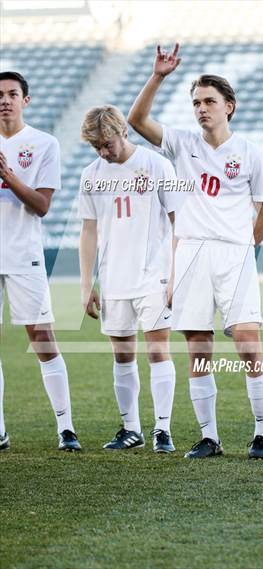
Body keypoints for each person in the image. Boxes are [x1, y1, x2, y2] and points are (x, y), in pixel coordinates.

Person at [128, 44, 263, 459]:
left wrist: (247, 246)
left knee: (249, 343)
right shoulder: (182, 143)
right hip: (191, 253)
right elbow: (136, 120)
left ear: (230, 106)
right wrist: (157, 76)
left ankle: (262, 433)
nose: (201, 109)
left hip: (234, 255)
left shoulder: (249, 152)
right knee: (199, 347)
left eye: (210, 101)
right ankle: (210, 437)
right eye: (196, 102)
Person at [79, 105, 177, 452]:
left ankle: (162, 430)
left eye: (107, 144)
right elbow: (88, 231)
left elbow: (179, 221)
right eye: (97, 148)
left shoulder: (157, 165)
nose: (103, 152)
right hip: (113, 276)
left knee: (157, 349)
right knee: (122, 354)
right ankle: (130, 429)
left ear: (123, 132)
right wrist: (86, 283)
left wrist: (175, 274)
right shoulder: (91, 174)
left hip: (154, 273)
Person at [0, 71, 81, 451]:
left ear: (25, 100)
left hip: (23, 254)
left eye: (12, 94)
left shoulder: (43, 144)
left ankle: (66, 428)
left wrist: (8, 176)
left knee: (42, 338)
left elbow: (42, 206)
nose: (5, 100)